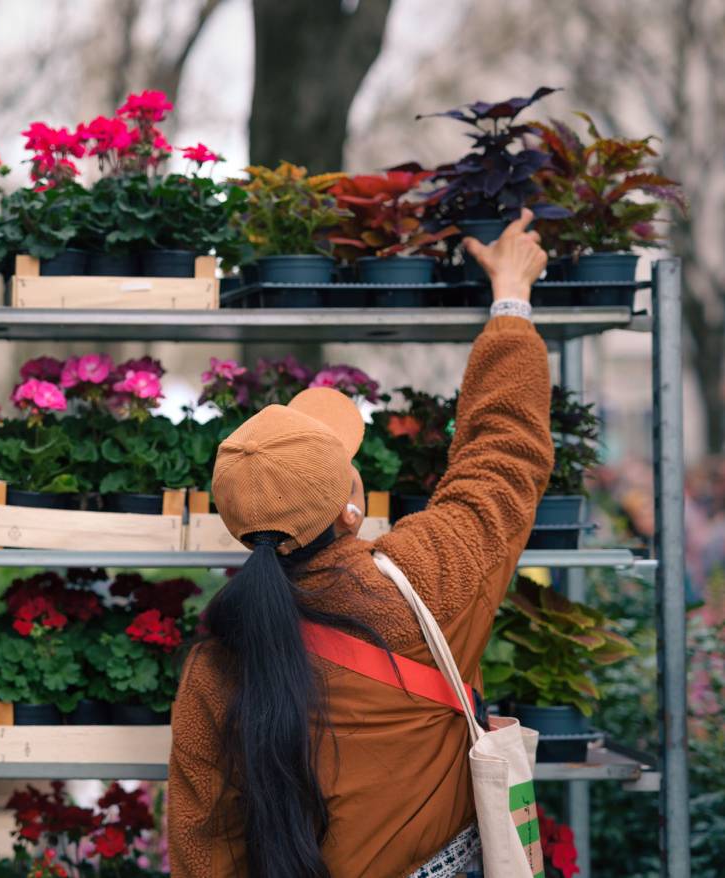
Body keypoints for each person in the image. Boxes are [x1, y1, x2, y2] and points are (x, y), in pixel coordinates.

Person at [169, 209, 553, 878]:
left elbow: (205, 843)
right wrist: (511, 298)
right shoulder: (431, 577)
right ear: (352, 510)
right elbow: (503, 454)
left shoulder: (220, 658)